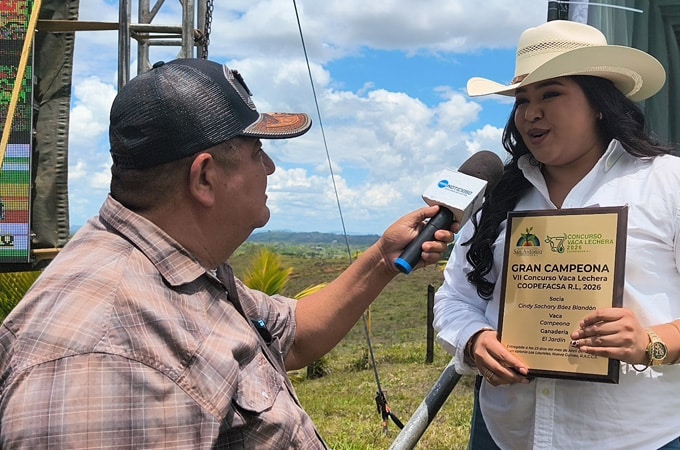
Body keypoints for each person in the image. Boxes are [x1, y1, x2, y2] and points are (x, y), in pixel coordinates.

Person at [0, 58, 455, 448]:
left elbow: (292, 334)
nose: (271, 168)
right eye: (258, 152)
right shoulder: (107, 363)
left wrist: (382, 257)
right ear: (204, 177)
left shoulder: (177, 265)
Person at [433, 20, 680, 450]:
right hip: (502, 434)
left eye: (551, 93)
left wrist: (655, 343)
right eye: (521, 99)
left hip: (634, 439)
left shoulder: (677, 185)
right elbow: (454, 298)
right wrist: (474, 339)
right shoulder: (497, 194)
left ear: (600, 102)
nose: (530, 113)